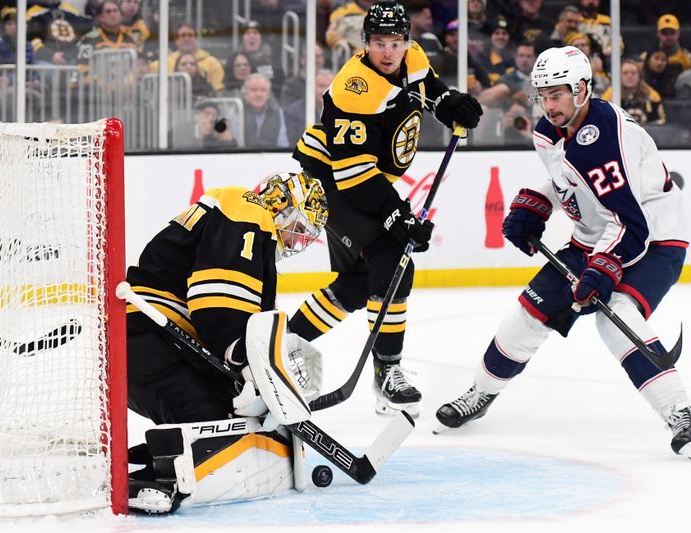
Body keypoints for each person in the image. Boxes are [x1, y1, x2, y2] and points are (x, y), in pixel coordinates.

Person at [435, 45, 691, 462]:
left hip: (655, 241)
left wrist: (603, 268)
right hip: (597, 234)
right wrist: (539, 200)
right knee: (528, 312)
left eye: (557, 95)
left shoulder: (606, 139)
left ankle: (683, 414)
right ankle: (481, 392)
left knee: (617, 316)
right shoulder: (550, 131)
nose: (548, 105)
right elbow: (572, 180)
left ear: (582, 89)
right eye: (543, 95)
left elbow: (631, 224)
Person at [289, 1, 482, 418]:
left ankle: (286, 342)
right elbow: (353, 176)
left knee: (359, 283)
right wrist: (398, 215)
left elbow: (427, 86)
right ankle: (388, 373)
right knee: (393, 260)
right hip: (330, 180)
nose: (389, 52)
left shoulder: (411, 57)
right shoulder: (353, 88)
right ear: (365, 44)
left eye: (396, 42)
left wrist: (450, 103)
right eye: (380, 44)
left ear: (407, 41)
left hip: (361, 179)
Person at [125, 171, 328, 513]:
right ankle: (147, 481)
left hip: (155, 344)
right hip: (151, 339)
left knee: (229, 414)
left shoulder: (246, 220)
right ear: (281, 204)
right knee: (223, 424)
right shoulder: (248, 210)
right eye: (298, 227)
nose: (296, 242)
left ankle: (145, 461)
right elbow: (217, 305)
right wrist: (248, 362)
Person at [601, 58, 666, 125]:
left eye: (633, 73)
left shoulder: (652, 95)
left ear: (639, 76)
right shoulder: (610, 95)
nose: (630, 76)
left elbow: (660, 122)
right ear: (619, 76)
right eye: (625, 73)